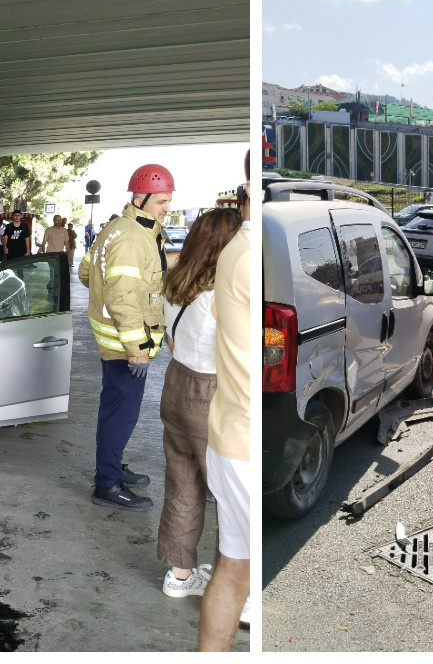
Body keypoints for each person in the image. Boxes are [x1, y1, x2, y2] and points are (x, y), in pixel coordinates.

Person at [156, 207, 243, 599]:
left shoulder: (175, 283)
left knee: (182, 482)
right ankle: (238, 594)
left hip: (175, 384)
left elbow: (173, 342)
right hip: (211, 392)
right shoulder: (221, 295)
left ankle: (180, 575)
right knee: (232, 494)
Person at [79, 164, 174, 512]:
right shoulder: (134, 238)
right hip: (125, 345)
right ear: (140, 197)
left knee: (114, 409)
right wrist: (137, 350)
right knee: (122, 415)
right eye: (161, 201)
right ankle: (106, 484)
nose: (166, 208)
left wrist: (105, 293)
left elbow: (86, 272)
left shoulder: (117, 229)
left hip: (114, 339)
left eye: (168, 200)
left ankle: (112, 467)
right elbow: (122, 297)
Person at [198, 153, 252, 650]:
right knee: (243, 574)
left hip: (230, 431)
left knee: (234, 571)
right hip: (246, 443)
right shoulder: (255, 254)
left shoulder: (239, 249)